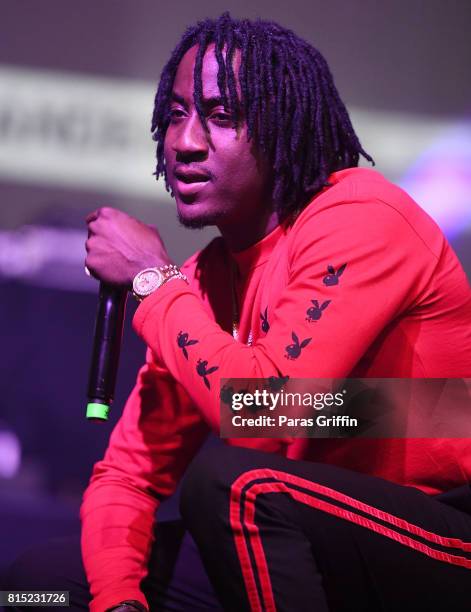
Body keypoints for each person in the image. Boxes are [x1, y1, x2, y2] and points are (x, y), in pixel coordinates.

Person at [5, 12, 471, 612]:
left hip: (439, 533)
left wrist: (151, 280)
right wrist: (120, 600)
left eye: (221, 116)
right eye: (175, 115)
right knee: (37, 583)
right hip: (304, 534)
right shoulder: (202, 283)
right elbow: (127, 477)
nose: (185, 141)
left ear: (283, 128)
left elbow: (267, 409)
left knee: (234, 484)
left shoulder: (360, 217)